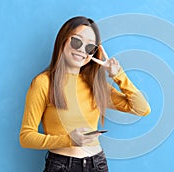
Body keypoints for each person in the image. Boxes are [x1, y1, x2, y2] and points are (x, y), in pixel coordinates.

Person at [19, 16, 151, 172]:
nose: (82, 50)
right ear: (63, 41)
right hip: (62, 166)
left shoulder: (95, 85)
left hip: (97, 164)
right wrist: (68, 139)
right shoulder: (43, 83)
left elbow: (142, 109)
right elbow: (26, 137)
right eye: (77, 42)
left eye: (90, 48)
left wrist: (118, 75)